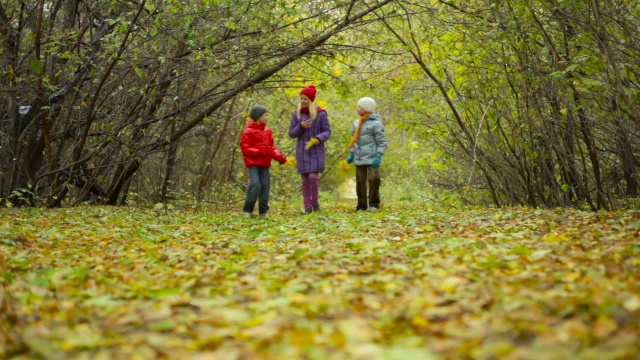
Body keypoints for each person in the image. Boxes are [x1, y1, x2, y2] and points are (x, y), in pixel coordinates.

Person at [288, 85, 332, 213]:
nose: (302, 101)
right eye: (301, 98)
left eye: (305, 99)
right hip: (302, 151)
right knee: (305, 180)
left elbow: (327, 131)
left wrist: (318, 139)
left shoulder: (321, 114)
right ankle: (307, 207)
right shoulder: (296, 114)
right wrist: (301, 127)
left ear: (311, 100)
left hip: (316, 152)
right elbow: (291, 133)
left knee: (313, 177)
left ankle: (315, 203)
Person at [240, 105, 287, 218]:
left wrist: (279, 157)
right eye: (265, 115)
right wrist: (260, 152)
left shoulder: (268, 131)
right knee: (255, 184)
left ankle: (263, 212)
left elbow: (271, 148)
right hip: (254, 164)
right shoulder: (248, 131)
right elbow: (245, 148)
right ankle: (247, 210)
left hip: (265, 164)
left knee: (265, 186)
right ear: (258, 117)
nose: (267, 117)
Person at [346, 97, 387, 212]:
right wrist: (352, 154)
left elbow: (382, 142)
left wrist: (379, 155)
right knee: (360, 181)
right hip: (359, 157)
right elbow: (354, 140)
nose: (357, 108)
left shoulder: (377, 124)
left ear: (367, 108)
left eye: (359, 106)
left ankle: (374, 204)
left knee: (374, 178)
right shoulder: (356, 123)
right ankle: (361, 205)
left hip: (373, 157)